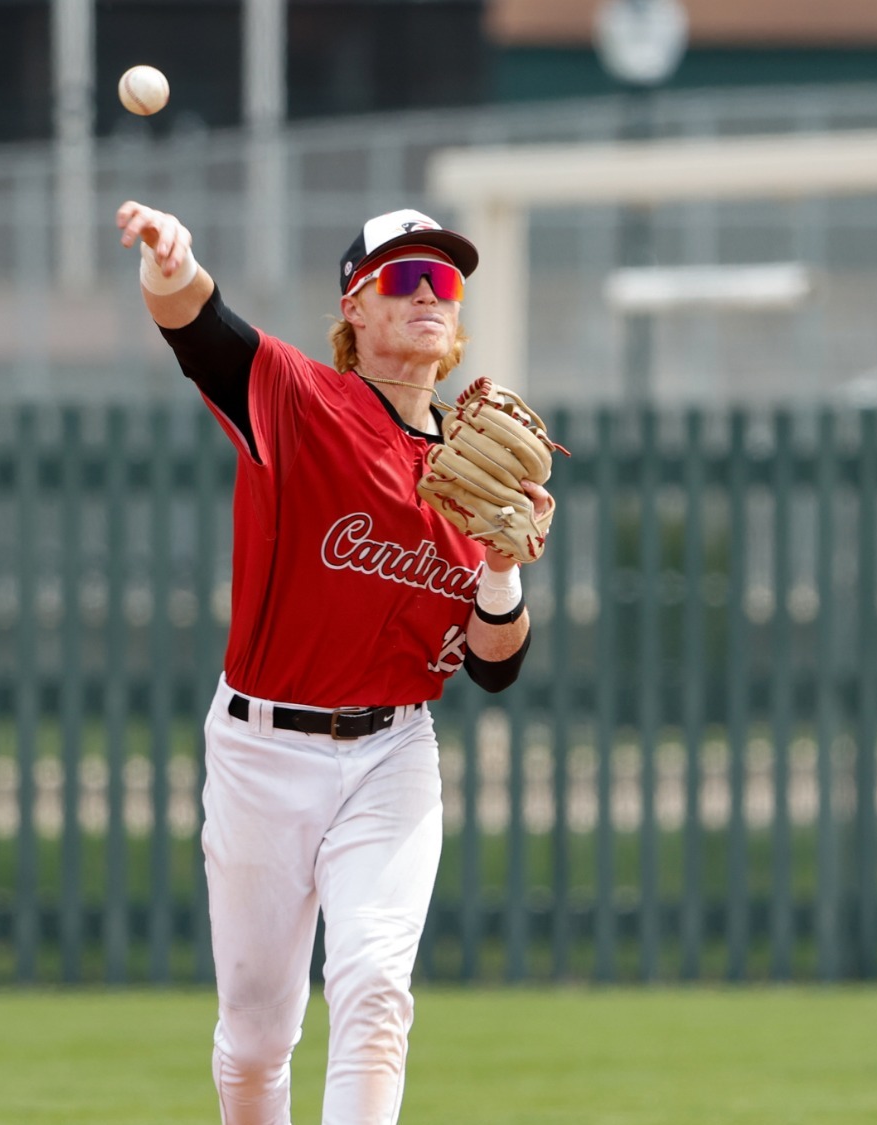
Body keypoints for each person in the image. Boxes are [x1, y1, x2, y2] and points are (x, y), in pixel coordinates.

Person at [113, 199, 551, 1125]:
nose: (430, 293)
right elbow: (205, 333)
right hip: (263, 749)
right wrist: (170, 263)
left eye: (445, 279)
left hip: (394, 751)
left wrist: (502, 571)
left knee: (375, 988)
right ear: (356, 308)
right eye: (405, 277)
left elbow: (496, 667)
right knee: (257, 1039)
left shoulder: (476, 469)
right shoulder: (305, 401)